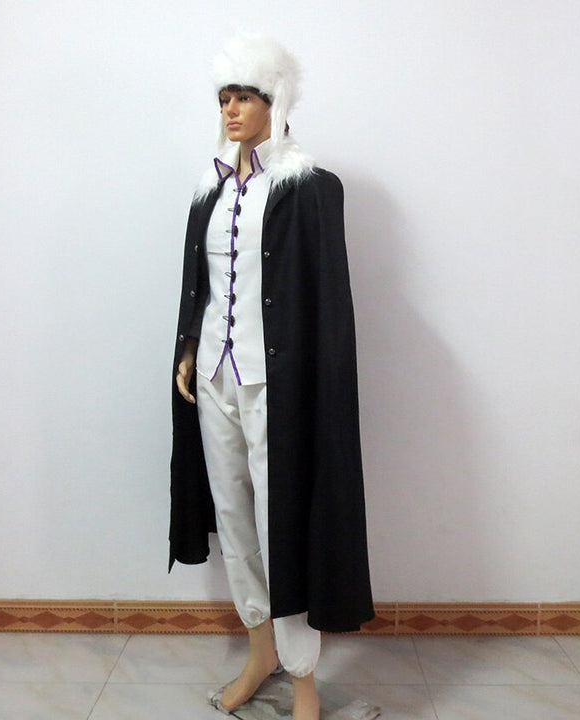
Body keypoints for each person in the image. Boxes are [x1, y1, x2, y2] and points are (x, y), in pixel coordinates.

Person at [169, 34, 374, 720]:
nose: (231, 110)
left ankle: (303, 675)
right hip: (214, 380)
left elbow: (327, 299)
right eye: (224, 98)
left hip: (276, 386)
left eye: (245, 97)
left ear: (275, 101)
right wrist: (189, 346)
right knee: (233, 519)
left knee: (282, 523)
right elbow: (200, 285)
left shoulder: (310, 189)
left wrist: (316, 382)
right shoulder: (208, 190)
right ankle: (260, 653)